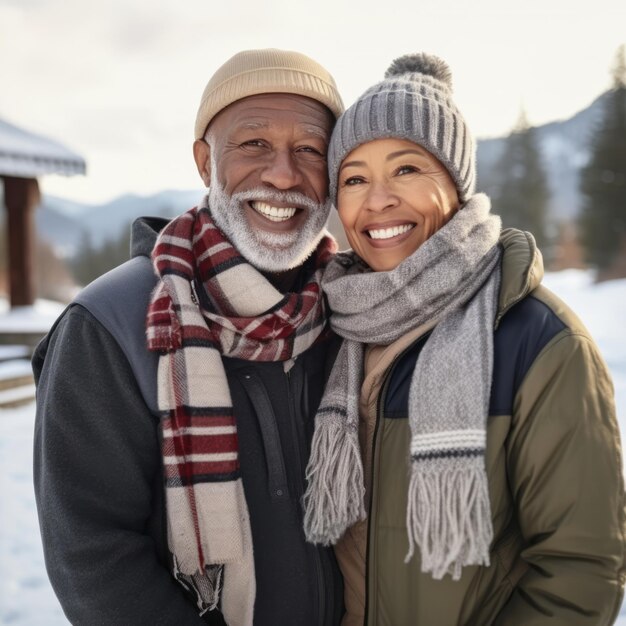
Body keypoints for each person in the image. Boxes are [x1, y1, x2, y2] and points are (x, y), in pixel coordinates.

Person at [303, 53, 626, 625]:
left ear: (455, 182)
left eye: (406, 170)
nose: (378, 201)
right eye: (354, 179)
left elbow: (579, 570)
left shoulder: (539, 343)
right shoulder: (328, 331)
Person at [33, 49, 346, 626]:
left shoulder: (357, 312)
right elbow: (93, 553)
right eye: (253, 144)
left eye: (310, 150)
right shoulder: (111, 323)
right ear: (205, 163)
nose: (282, 173)